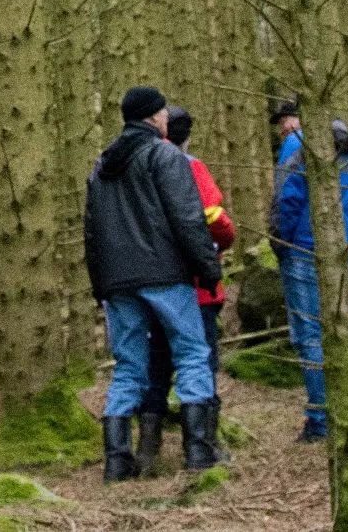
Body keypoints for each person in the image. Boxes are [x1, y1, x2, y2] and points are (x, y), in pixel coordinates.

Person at [84, 86, 226, 482]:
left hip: (119, 282)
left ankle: (116, 461)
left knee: (129, 367)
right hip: (165, 275)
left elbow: (91, 233)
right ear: (153, 117)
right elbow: (187, 217)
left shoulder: (101, 166)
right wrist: (208, 268)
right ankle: (198, 453)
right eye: (163, 112)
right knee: (192, 354)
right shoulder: (165, 156)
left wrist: (101, 284)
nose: (166, 118)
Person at [136, 106, 234, 475]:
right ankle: (203, 447)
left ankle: (148, 452)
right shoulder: (191, 167)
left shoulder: (138, 169)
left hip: (151, 283)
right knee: (200, 359)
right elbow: (214, 220)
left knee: (156, 363)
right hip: (196, 285)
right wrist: (225, 241)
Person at [267, 103, 348, 442]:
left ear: (299, 117)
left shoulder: (298, 144)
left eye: (285, 120)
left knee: (310, 336)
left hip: (305, 249)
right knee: (347, 332)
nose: (283, 128)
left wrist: (280, 244)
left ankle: (322, 421)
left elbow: (287, 199)